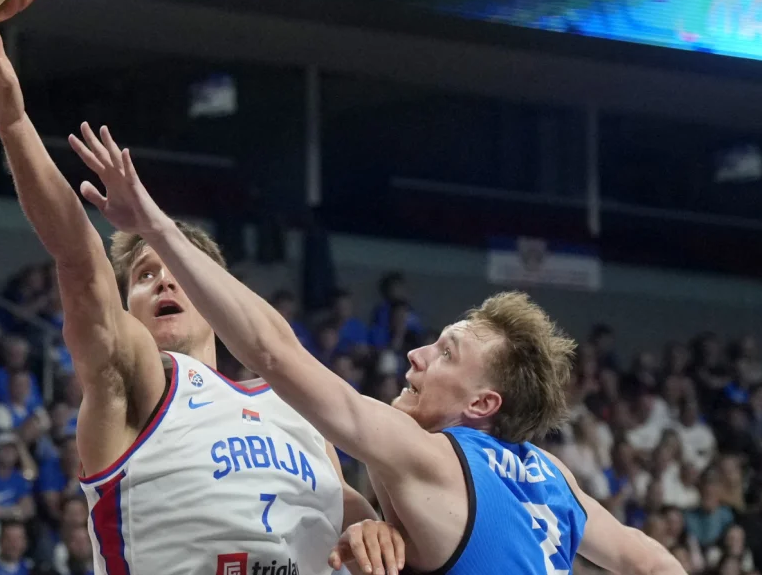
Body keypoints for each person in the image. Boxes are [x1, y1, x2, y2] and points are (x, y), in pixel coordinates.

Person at [63, 124, 689, 575]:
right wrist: (366, 522)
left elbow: (276, 355)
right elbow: (650, 561)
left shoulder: (430, 457)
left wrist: (156, 227)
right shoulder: (552, 479)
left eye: (444, 354)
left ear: (481, 402)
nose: (415, 357)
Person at [0, 17, 401, 575]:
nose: (163, 281)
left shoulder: (294, 404)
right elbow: (80, 262)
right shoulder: (139, 383)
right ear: (127, 307)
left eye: (181, 273)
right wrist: (14, 123)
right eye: (143, 276)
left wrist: (370, 526)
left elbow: (346, 513)